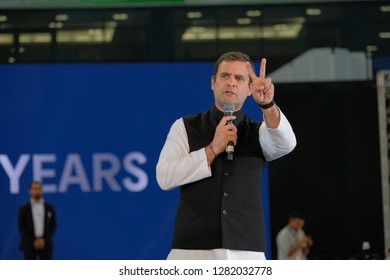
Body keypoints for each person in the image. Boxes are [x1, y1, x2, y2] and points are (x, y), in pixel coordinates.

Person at [156, 51, 296, 260]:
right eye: (225, 76)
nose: (231, 82)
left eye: (239, 78)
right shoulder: (185, 126)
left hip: (246, 252)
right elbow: (165, 177)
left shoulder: (258, 131)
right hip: (192, 251)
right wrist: (212, 149)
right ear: (213, 82)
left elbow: (286, 143)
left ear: (250, 89)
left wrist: (268, 105)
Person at [18, 181, 57, 260]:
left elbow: (53, 225)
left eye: (39, 189)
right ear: (30, 191)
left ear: (42, 191)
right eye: (35, 189)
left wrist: (44, 240)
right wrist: (33, 241)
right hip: (29, 245)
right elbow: (22, 227)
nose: (37, 191)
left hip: (45, 245)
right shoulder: (24, 209)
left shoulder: (49, 208)